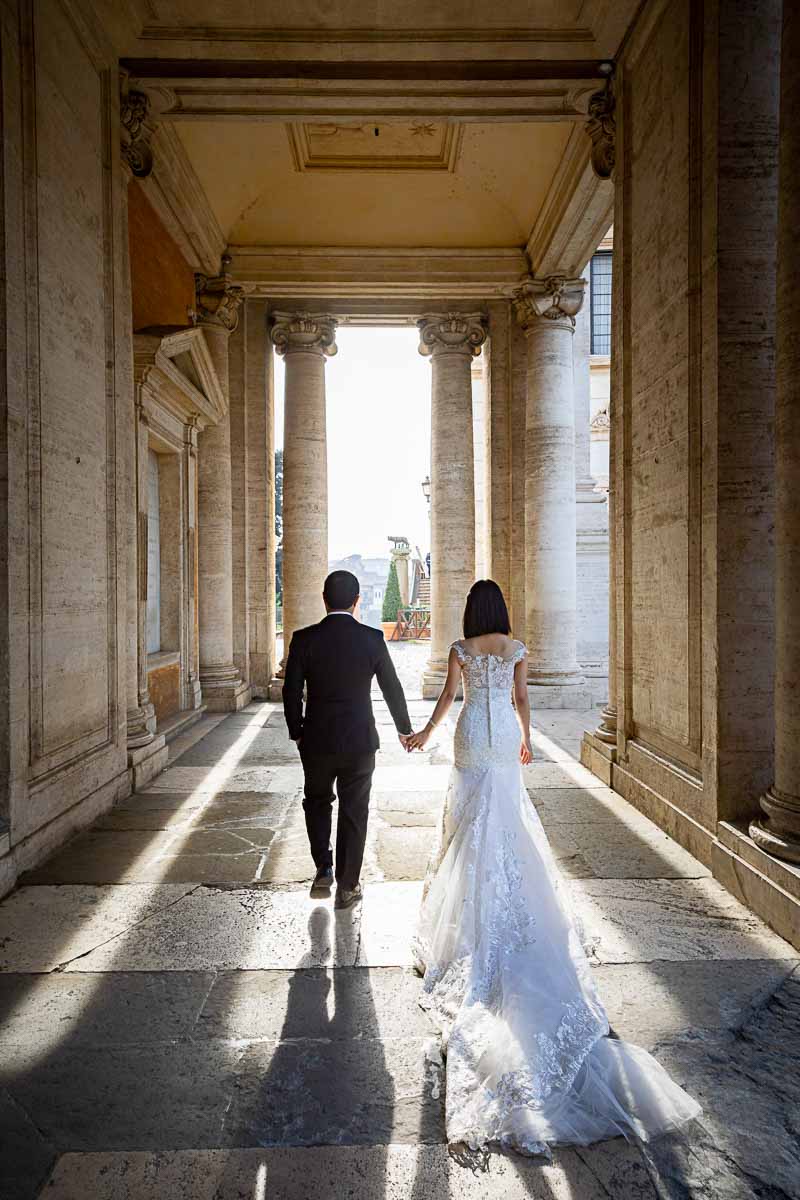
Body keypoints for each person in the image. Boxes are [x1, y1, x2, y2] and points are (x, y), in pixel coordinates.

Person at [406, 579, 701, 1156]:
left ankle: (463, 913)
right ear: (502, 612)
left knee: (466, 822)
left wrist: (424, 734)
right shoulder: (514, 649)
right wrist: (525, 740)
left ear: (471, 611)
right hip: (498, 741)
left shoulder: (461, 650)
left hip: (470, 737)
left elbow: (448, 699)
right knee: (505, 822)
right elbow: (520, 700)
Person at [283, 569, 413, 910]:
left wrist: (297, 730)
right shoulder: (372, 639)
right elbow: (392, 688)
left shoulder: (303, 639)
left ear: (324, 600)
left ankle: (323, 865)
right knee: (355, 810)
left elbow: (291, 691)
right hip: (359, 740)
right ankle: (348, 885)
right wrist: (404, 728)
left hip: (316, 739)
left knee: (317, 801)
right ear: (357, 602)